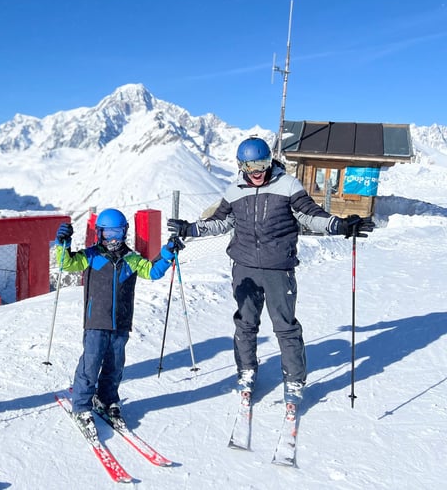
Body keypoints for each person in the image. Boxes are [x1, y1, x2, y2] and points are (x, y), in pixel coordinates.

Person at [167, 136, 374, 408]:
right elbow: (220, 222)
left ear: (270, 161)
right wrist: (190, 229)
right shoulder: (234, 190)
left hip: (278, 269)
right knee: (245, 324)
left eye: (261, 164)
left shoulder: (287, 185)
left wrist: (340, 225)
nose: (256, 172)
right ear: (241, 166)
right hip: (245, 269)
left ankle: (294, 380)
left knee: (285, 327)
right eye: (249, 166)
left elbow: (310, 215)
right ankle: (246, 370)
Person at [55, 208, 182, 437]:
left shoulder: (131, 259)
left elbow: (152, 272)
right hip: (96, 321)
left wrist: (167, 254)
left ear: (125, 232)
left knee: (115, 365)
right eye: (108, 233)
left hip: (121, 322)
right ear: (99, 233)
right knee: (91, 363)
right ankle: (81, 406)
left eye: (117, 233)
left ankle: (106, 399)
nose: (113, 239)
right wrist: (63, 244)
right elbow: (67, 264)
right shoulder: (91, 255)